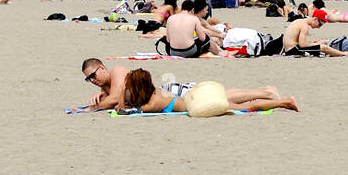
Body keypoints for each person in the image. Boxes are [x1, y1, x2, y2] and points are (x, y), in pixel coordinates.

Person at [118, 68, 300, 113]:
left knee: (245, 107)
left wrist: (119, 93)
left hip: (199, 103)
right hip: (196, 95)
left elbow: (122, 111)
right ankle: (273, 96)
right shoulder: (154, 92)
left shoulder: (152, 103)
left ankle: (284, 102)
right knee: (236, 98)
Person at [281, 9, 348, 57]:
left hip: (290, 48)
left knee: (319, 44)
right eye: (320, 24)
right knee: (323, 47)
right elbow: (302, 45)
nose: (319, 27)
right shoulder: (304, 26)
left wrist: (315, 43)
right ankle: (346, 54)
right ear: (315, 19)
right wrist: (317, 44)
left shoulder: (300, 21)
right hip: (293, 50)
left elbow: (300, 43)